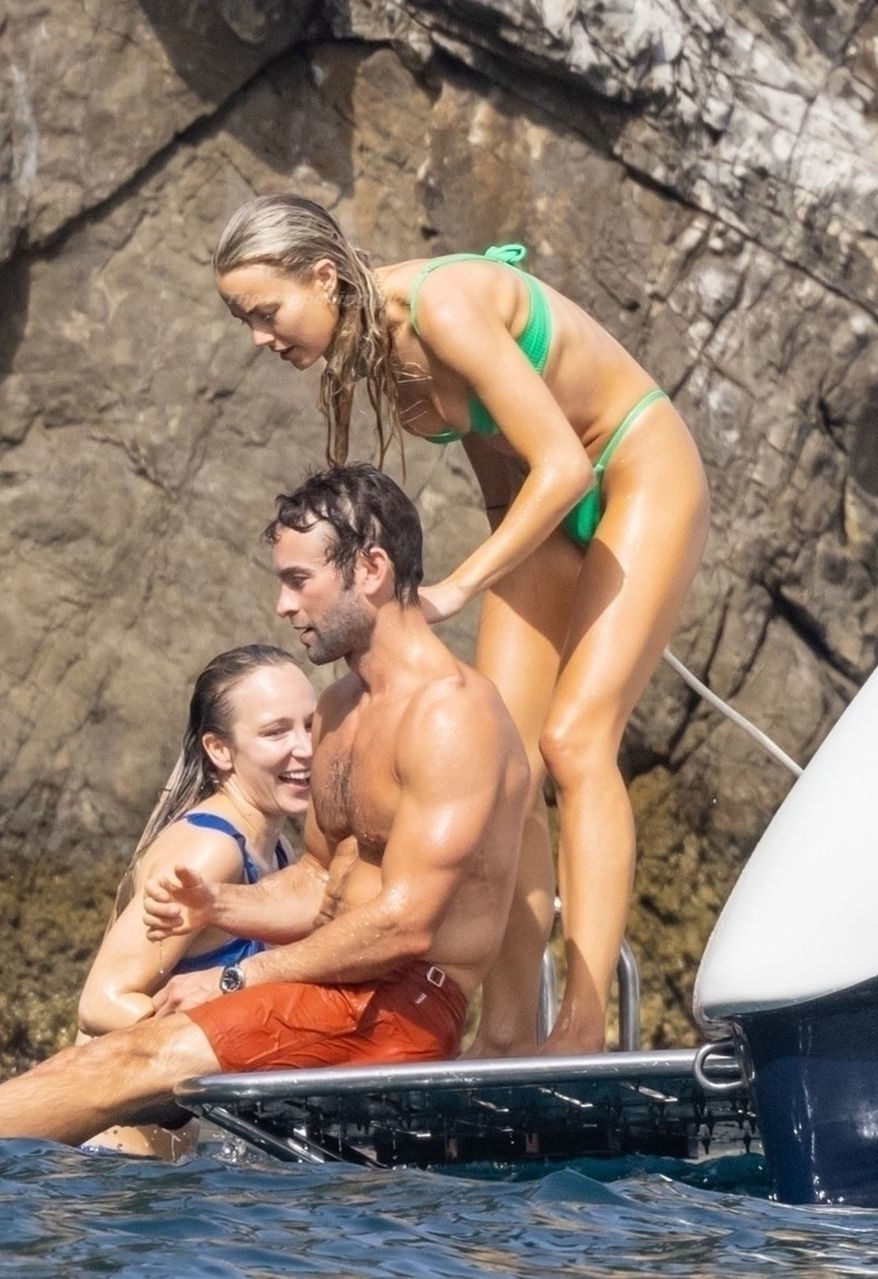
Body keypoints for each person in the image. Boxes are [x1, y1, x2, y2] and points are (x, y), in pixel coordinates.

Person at [0, 465, 531, 1146]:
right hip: (335, 989)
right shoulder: (344, 708)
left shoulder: (449, 714)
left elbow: (404, 922)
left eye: (299, 581)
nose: (284, 606)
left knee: (137, 1057)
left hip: (398, 1008)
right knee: (109, 1054)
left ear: (371, 569)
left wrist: (235, 973)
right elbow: (319, 881)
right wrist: (222, 904)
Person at [213, 194, 710, 1056]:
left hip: (633, 465)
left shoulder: (441, 306)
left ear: (323, 278)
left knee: (575, 741)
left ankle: (582, 1022)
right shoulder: (375, 356)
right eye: (243, 320)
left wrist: (456, 589)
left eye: (266, 311)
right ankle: (510, 1028)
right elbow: (503, 470)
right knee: (505, 766)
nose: (259, 336)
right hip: (537, 510)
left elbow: (563, 464)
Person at [75, 643, 313, 1156]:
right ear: (220, 750)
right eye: (276, 732)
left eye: (312, 726)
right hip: (109, 1161)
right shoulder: (210, 850)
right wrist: (226, 1046)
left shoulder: (279, 850)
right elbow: (100, 1002)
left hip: (165, 1168)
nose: (306, 748)